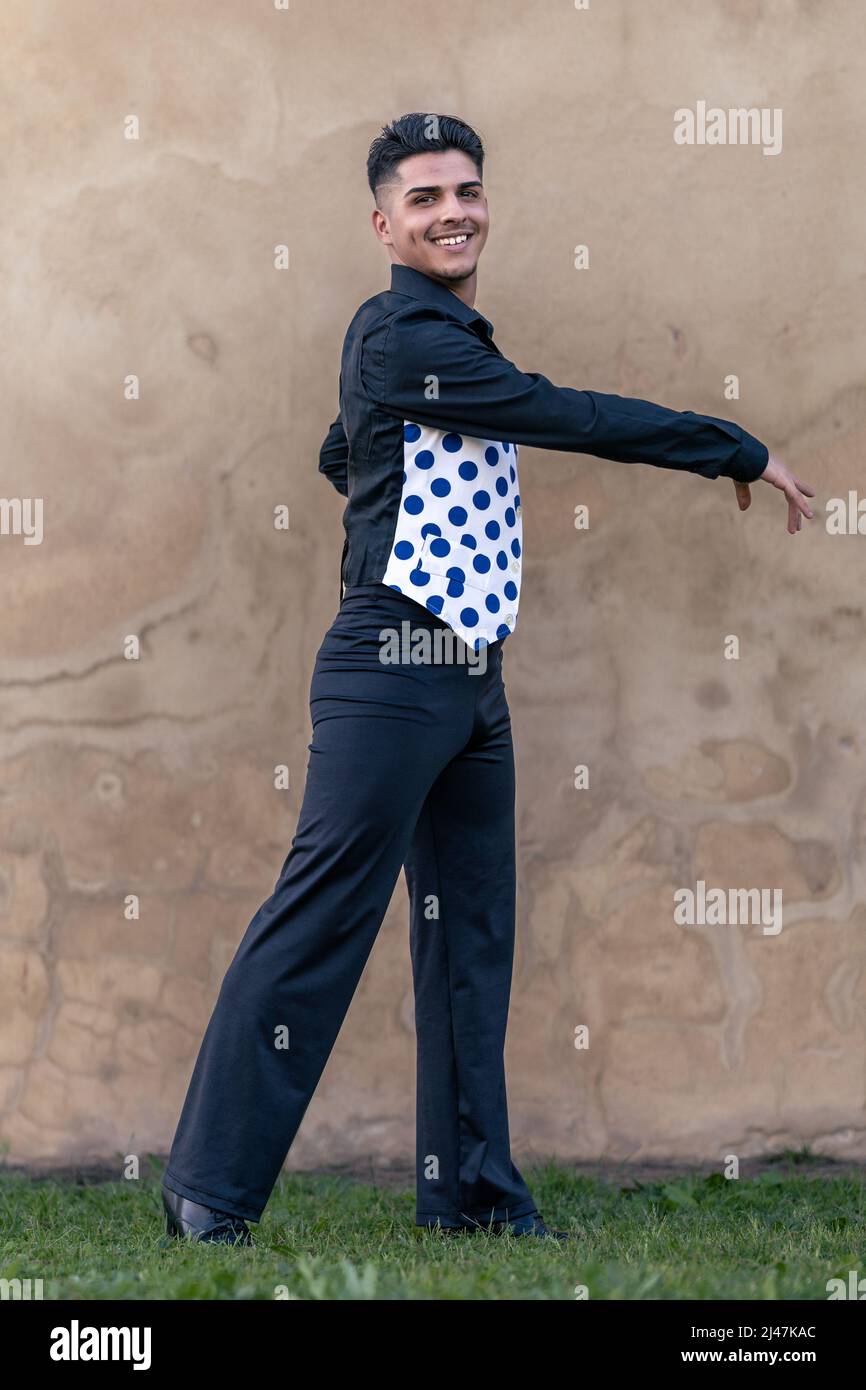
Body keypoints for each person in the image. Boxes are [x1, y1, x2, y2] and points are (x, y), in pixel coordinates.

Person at [162, 113, 815, 1246]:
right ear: (383, 223)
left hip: (468, 675)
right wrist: (729, 445)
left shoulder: (441, 345)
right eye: (423, 198)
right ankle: (207, 1193)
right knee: (320, 916)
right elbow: (562, 414)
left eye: (465, 190)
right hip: (390, 665)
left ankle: (467, 1193)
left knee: (467, 934)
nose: (451, 210)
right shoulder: (399, 332)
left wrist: (378, 471)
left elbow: (343, 451)